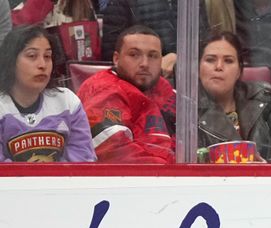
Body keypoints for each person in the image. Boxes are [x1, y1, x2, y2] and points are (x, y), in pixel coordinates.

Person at [197, 31, 271, 163]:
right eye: (210, 60)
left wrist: (265, 168)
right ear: (198, 67)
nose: (219, 67)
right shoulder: (183, 108)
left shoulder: (264, 98)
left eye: (228, 61)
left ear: (239, 70)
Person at [77, 25, 175, 163]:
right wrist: (172, 171)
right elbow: (114, 151)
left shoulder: (161, 87)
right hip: (140, 180)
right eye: (134, 54)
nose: (145, 63)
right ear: (116, 59)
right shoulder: (105, 88)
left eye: (153, 56)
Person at [0, 25, 95, 162]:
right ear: (11, 61)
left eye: (47, 56)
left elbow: (83, 159)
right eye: (32, 56)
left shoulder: (67, 101)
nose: (42, 64)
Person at [100, 0, 210, 79]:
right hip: (143, 86)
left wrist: (181, 59)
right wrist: (155, 62)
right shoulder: (123, 3)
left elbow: (204, 41)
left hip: (190, 81)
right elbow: (113, 55)